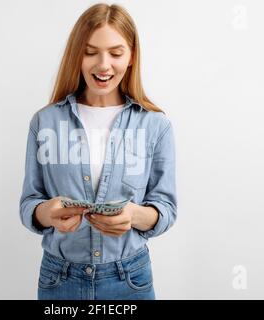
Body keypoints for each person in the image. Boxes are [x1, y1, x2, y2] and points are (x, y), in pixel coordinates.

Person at [19, 3, 177, 300]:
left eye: (116, 53)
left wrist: (133, 216)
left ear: (131, 57)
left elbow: (165, 208)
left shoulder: (156, 125)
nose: (103, 65)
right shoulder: (45, 121)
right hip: (59, 280)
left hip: (130, 280)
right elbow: (30, 203)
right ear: (76, 54)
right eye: (90, 52)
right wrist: (47, 214)